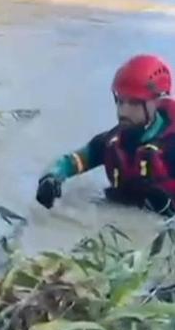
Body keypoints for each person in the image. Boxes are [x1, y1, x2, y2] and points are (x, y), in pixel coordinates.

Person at [37, 54, 175, 216]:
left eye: (134, 103)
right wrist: (51, 178)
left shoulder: (171, 147)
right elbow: (71, 162)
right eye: (120, 101)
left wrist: (168, 209)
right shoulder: (110, 143)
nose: (123, 111)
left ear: (156, 101)